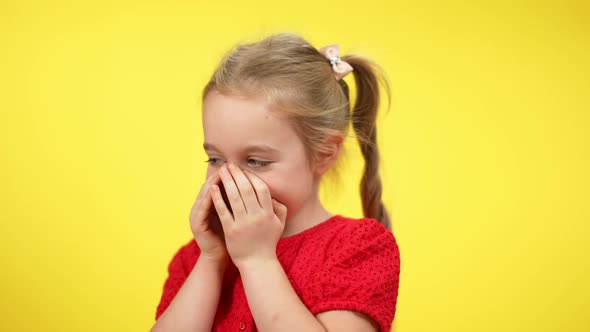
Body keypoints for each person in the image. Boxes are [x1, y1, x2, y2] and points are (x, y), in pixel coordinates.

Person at [151, 32, 400, 332]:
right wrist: (212, 259)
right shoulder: (194, 259)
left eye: (255, 161)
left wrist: (257, 259)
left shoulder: (358, 248)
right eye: (215, 159)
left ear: (323, 154)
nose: (229, 179)